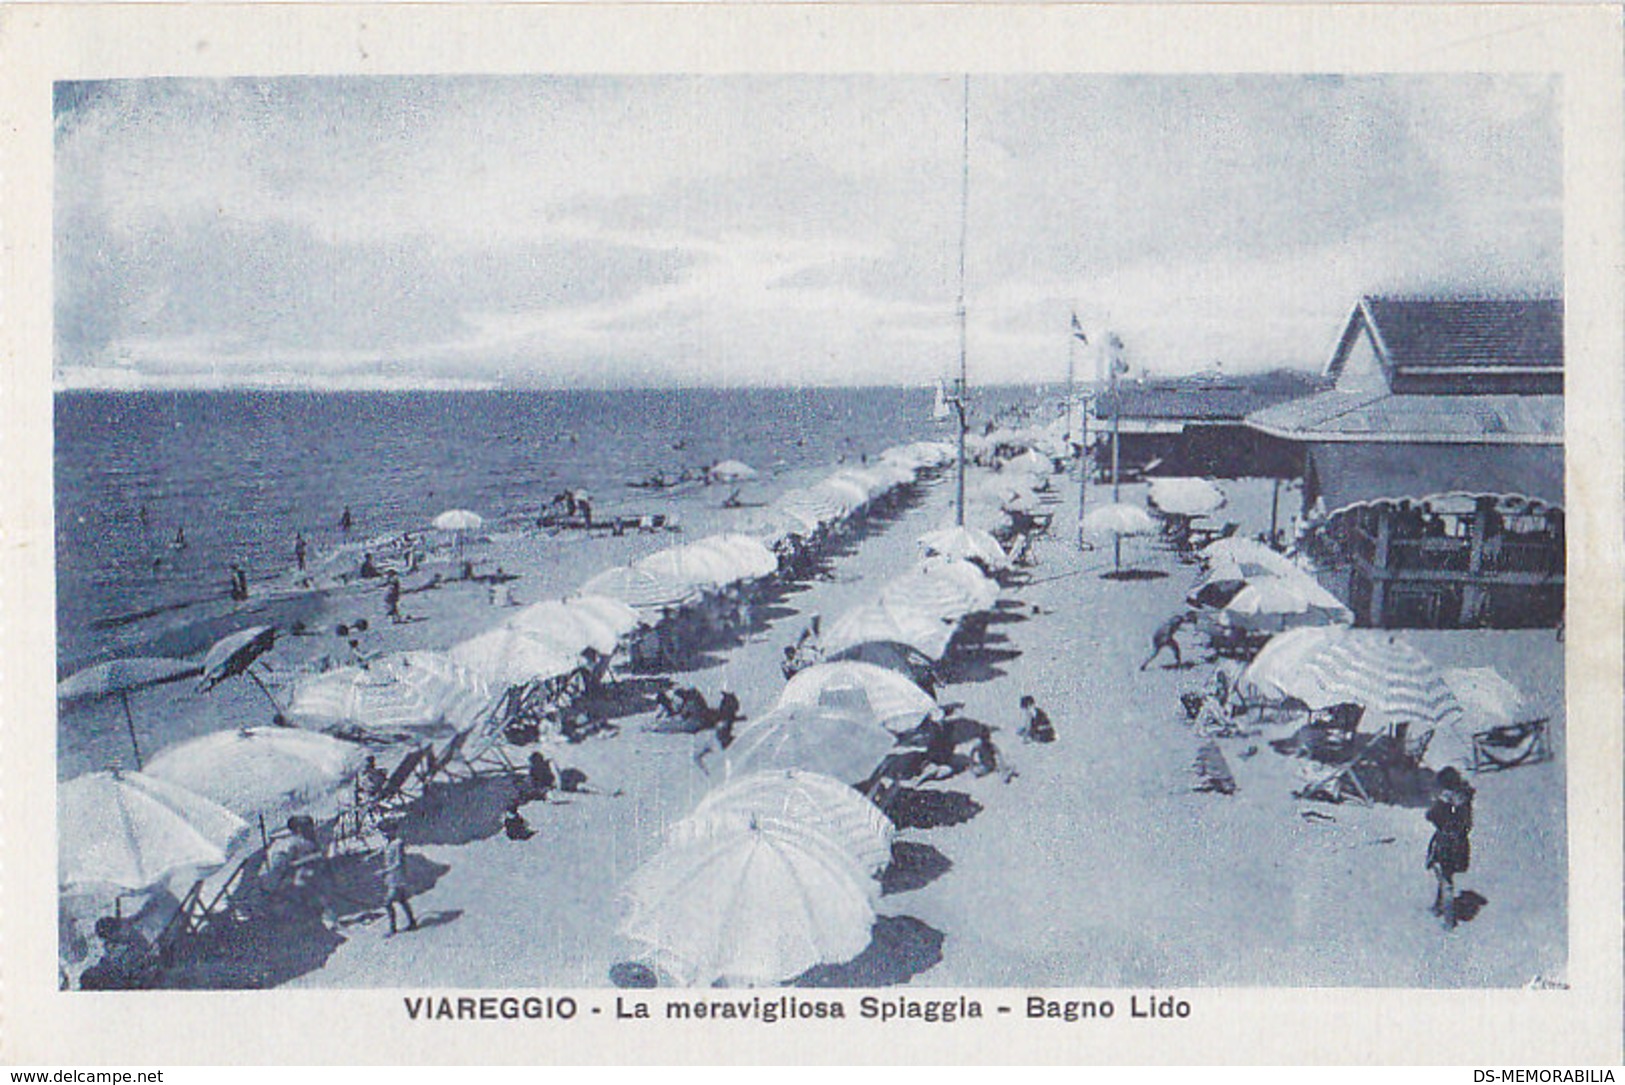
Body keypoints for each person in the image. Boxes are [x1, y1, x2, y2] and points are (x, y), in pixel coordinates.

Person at [1425, 767, 1475, 929]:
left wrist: (1440, 803)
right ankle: (1437, 906)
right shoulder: (1464, 801)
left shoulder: (1447, 803)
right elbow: (1466, 825)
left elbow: (1432, 816)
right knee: (1444, 876)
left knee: (1445, 881)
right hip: (1458, 845)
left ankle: (1449, 919)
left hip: (1445, 845)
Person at [377, 819, 417, 936]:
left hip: (397, 877)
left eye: (386, 832)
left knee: (387, 902)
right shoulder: (389, 843)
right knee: (402, 900)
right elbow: (385, 852)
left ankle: (393, 928)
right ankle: (412, 922)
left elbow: (398, 863)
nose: (384, 835)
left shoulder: (398, 843)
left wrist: (384, 871)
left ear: (393, 830)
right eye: (383, 832)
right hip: (392, 877)